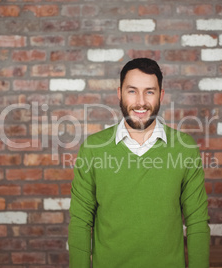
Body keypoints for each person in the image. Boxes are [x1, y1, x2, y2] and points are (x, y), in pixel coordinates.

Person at [68, 58, 210, 268]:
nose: (141, 102)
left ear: (161, 95)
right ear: (120, 93)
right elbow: (80, 222)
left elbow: (197, 222)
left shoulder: (185, 148)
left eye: (149, 91)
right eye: (132, 91)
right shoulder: (93, 149)